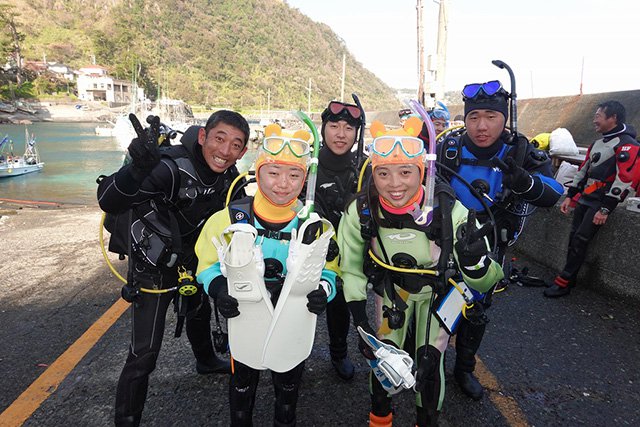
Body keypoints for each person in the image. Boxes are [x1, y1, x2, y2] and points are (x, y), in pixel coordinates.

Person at [338, 118, 504, 426]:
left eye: (405, 172)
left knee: (430, 363)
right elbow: (350, 269)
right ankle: (379, 419)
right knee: (383, 360)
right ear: (373, 174)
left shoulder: (450, 211)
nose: (394, 184)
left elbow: (488, 280)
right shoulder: (361, 211)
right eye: (383, 173)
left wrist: (473, 263)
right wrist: (362, 325)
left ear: (422, 171)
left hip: (435, 295)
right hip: (391, 292)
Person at [97, 110, 250, 427]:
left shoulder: (230, 177)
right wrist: (136, 170)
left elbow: (244, 218)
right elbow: (109, 201)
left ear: (243, 151)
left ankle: (206, 360)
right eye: (219, 139)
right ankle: (126, 421)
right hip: (153, 265)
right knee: (144, 354)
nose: (225, 151)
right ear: (203, 137)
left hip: (191, 259)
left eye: (235, 145)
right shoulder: (169, 167)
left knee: (198, 310)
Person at [195, 123, 338, 426]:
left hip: (292, 316)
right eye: (273, 173)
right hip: (245, 314)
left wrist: (323, 291)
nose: (283, 184)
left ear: (305, 179)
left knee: (288, 385)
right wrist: (220, 289)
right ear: (258, 173)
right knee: (242, 382)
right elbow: (206, 264)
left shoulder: (313, 225)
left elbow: (329, 270)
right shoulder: (228, 219)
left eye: (294, 175)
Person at [437, 80, 564, 399]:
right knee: (436, 303)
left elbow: (553, 194)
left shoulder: (520, 151)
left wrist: (525, 182)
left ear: (504, 118)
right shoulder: (449, 149)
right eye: (474, 116)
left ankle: (464, 368)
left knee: (476, 309)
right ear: (465, 118)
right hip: (445, 241)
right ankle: (432, 362)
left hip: (491, 245)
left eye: (491, 116)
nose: (481, 126)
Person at [545, 100, 640, 297]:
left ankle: (563, 282)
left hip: (601, 203)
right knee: (574, 239)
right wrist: (570, 196)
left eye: (598, 116)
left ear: (613, 118)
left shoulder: (627, 145)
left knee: (580, 240)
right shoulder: (598, 143)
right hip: (586, 198)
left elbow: (624, 180)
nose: (594, 120)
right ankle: (567, 279)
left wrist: (605, 209)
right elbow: (583, 170)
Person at [309, 100, 367, 380]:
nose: (341, 134)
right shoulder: (308, 163)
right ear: (323, 129)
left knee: (340, 303)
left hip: (348, 252)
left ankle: (339, 352)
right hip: (310, 248)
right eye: (334, 126)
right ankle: (291, 355)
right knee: (301, 302)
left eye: (349, 128)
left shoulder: (365, 168)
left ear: (358, 133)